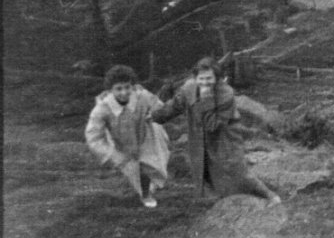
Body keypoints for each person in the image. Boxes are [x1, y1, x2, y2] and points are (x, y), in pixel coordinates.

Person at [152, 57, 281, 203]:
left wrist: (206, 98)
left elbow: (212, 125)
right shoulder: (189, 88)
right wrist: (154, 117)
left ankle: (270, 195)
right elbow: (174, 107)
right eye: (201, 78)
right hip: (199, 135)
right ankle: (224, 204)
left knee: (238, 172)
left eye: (209, 78)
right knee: (205, 170)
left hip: (225, 136)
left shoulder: (226, 94)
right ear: (195, 78)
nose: (205, 82)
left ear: (217, 78)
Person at [85, 65, 170, 208]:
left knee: (147, 164)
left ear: (133, 86)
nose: (124, 92)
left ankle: (146, 195)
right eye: (118, 89)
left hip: (146, 134)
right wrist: (111, 154)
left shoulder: (143, 96)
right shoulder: (102, 108)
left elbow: (161, 108)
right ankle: (139, 189)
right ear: (110, 90)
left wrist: (154, 114)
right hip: (120, 141)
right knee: (130, 167)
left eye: (127, 87)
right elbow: (94, 137)